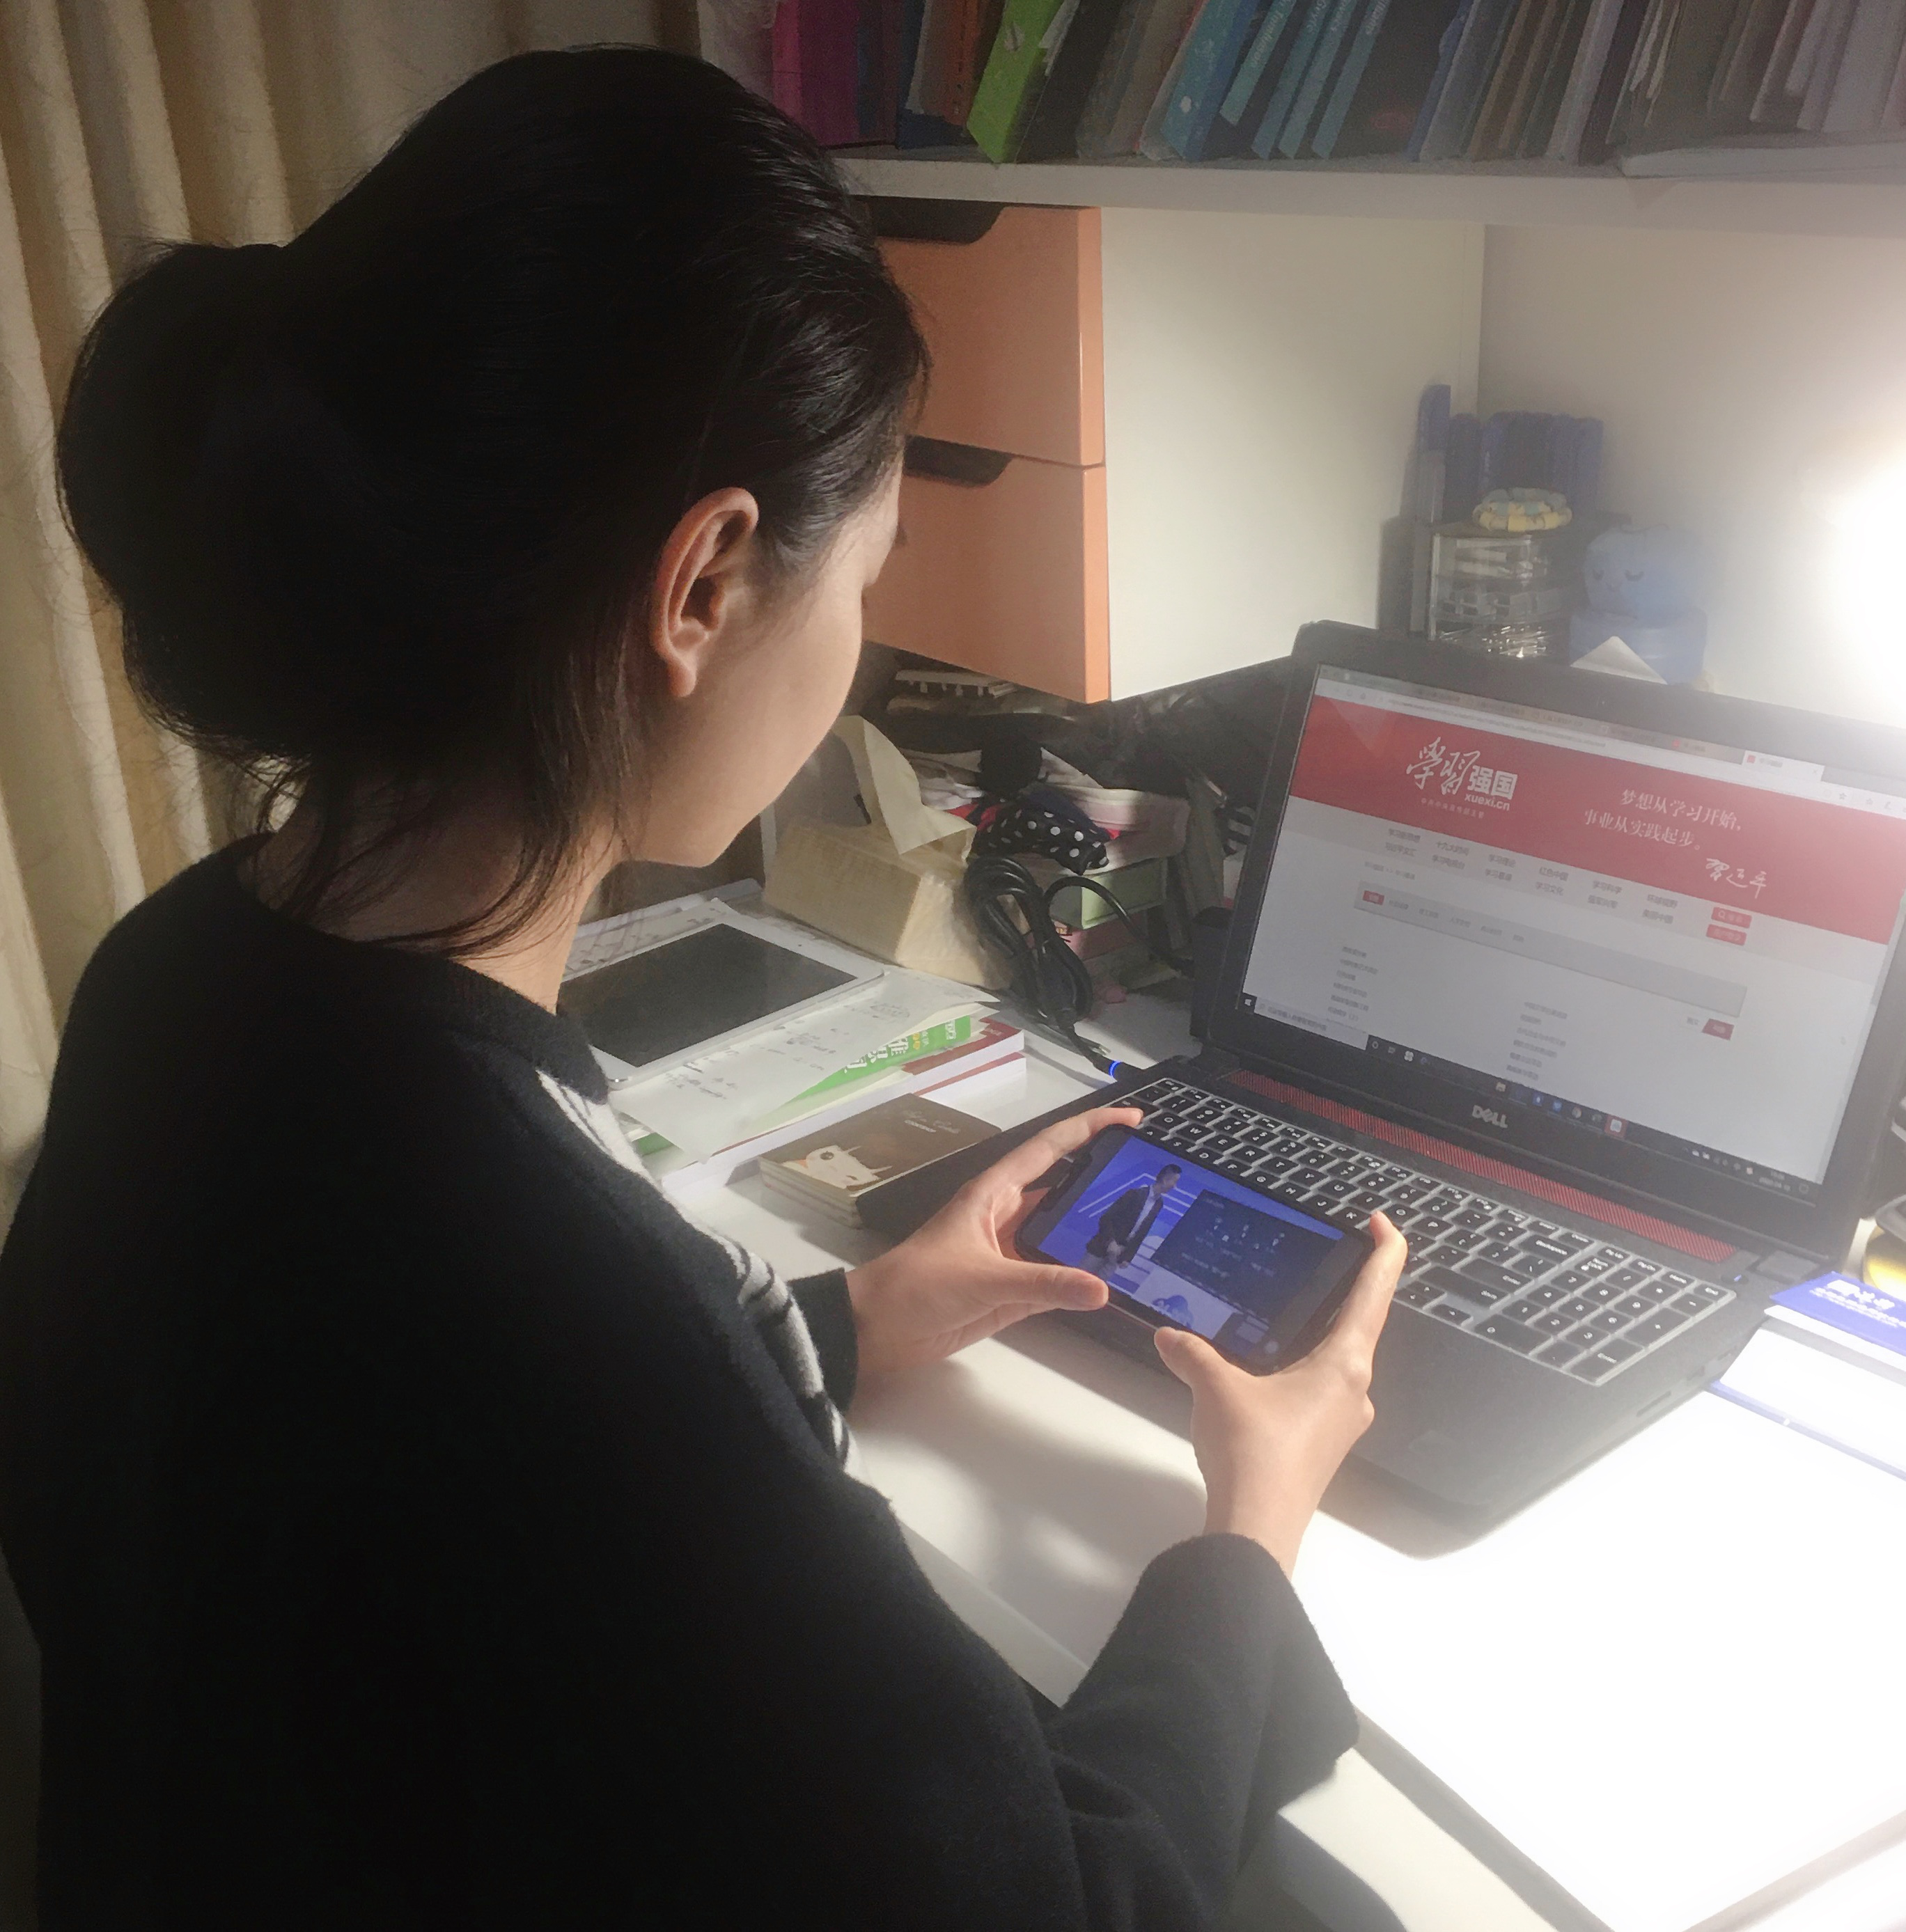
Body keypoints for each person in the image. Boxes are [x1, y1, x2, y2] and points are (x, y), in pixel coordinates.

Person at [0, 49, 1406, 1929]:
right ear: (701, 586)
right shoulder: (547, 1280)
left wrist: (842, 1325)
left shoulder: (178, 979)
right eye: (866, 576)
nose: (859, 648)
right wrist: (1250, 1533)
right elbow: (1064, 1899)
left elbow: (410, 1477)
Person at [1087, 1162, 1184, 1275]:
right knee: (1078, 1279)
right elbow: (1107, 1218)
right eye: (1174, 1182)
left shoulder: (1159, 1204)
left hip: (1118, 1255)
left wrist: (1128, 1257)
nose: (1174, 1186)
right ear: (1165, 1179)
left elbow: (1142, 1233)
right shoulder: (1135, 1194)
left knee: (1100, 1284)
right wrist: (1111, 1242)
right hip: (1100, 1248)